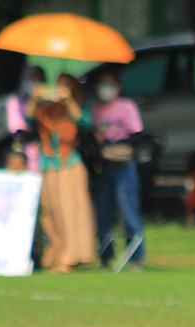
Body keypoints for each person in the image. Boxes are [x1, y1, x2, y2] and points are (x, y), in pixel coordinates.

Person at [27, 73, 97, 273]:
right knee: (49, 212)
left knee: (69, 211)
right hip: (48, 164)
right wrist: (35, 98)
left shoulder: (77, 106)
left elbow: (84, 123)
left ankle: (72, 256)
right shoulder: (45, 109)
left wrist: (69, 101)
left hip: (69, 164)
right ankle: (54, 255)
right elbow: (29, 119)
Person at [90, 69, 146, 270]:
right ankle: (106, 254)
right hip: (104, 165)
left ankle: (136, 256)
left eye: (110, 84)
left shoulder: (126, 106)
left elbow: (136, 134)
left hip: (123, 164)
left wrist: (118, 143)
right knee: (103, 210)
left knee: (128, 208)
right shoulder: (95, 110)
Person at [7, 66, 47, 172]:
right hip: (25, 152)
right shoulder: (15, 101)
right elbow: (17, 128)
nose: (35, 83)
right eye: (32, 78)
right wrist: (33, 102)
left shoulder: (47, 103)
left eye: (39, 78)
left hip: (44, 153)